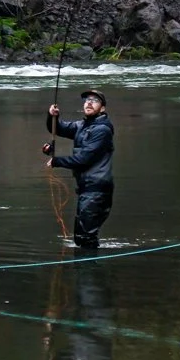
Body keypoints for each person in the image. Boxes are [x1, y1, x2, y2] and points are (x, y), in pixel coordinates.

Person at [45, 89, 114, 250]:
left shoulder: (102, 130)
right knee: (81, 238)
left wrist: (57, 161)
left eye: (94, 101)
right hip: (87, 189)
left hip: (97, 190)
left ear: (102, 108)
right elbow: (58, 128)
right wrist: (52, 116)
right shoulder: (82, 125)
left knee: (86, 237)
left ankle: (89, 264)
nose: (89, 103)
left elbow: (83, 159)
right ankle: (86, 264)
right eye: (87, 100)